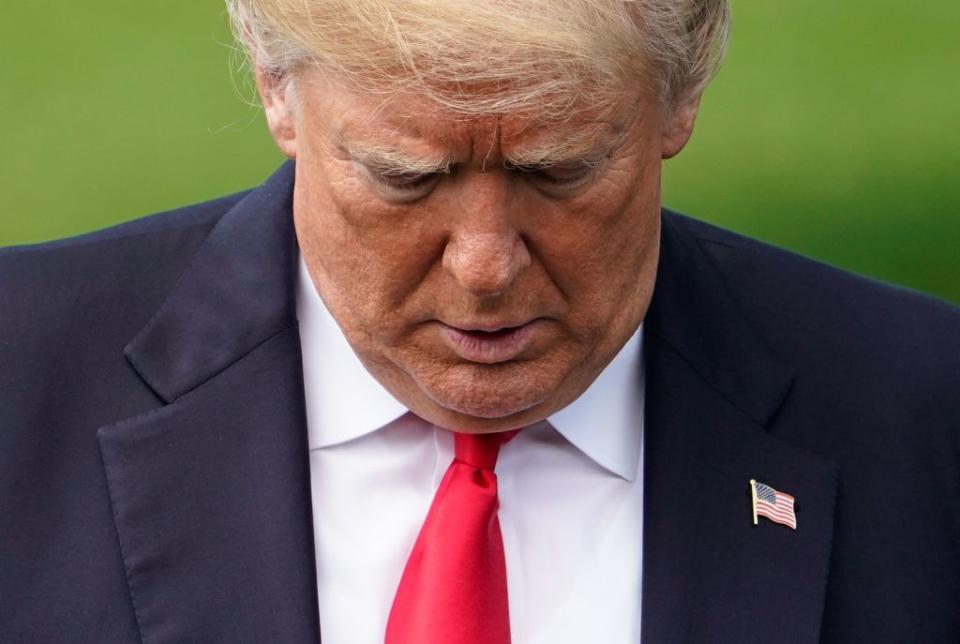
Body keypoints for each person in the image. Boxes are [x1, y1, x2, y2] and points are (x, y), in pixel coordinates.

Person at [1, 1, 957, 642]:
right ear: (272, 80)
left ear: (686, 85)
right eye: (404, 177)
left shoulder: (925, 419)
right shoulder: (19, 379)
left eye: (563, 170)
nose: (485, 265)